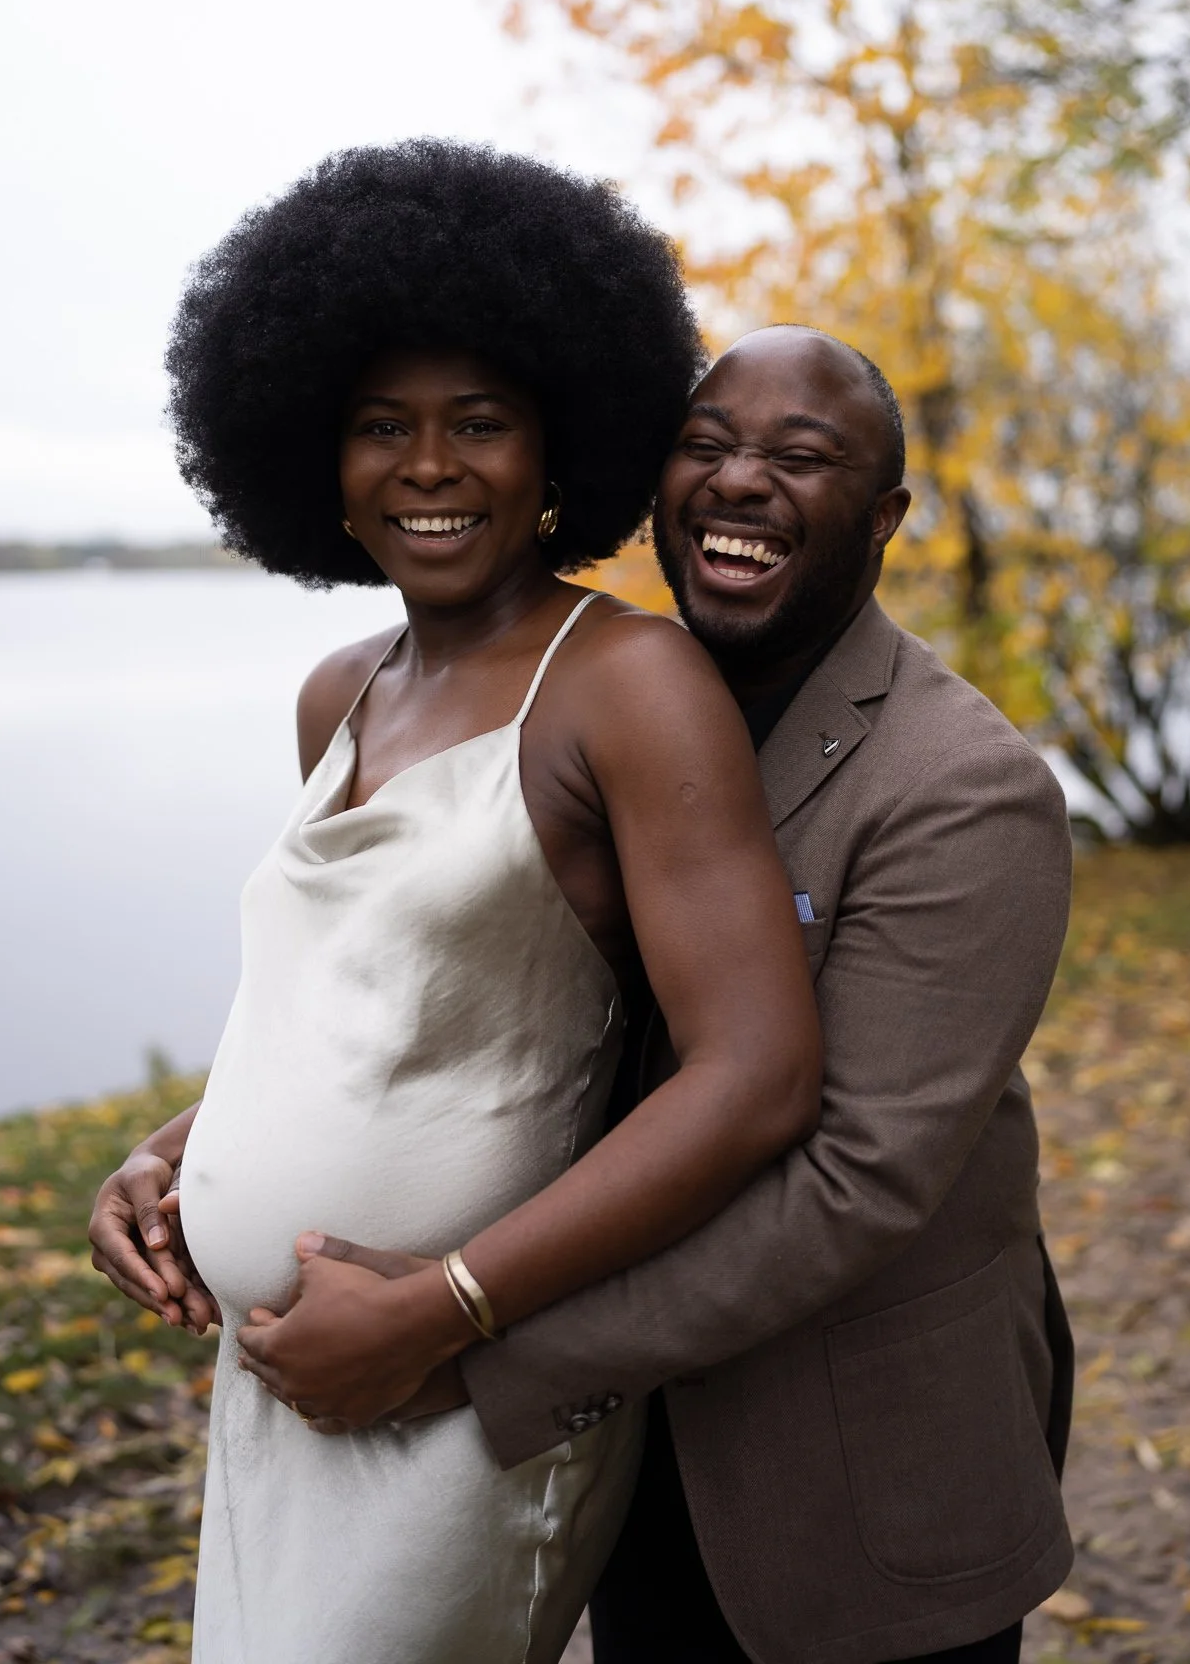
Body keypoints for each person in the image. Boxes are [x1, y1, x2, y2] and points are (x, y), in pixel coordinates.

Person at [87, 144, 823, 1664]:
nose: (428, 466)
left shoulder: (626, 684)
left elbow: (757, 1075)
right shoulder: (338, 694)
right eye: (382, 426)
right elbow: (362, 1015)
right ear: (315, 456)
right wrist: (174, 1155)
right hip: (281, 1381)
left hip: (454, 1397)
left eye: (479, 422)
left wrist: (445, 1308)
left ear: (558, 452)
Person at [281, 326, 1078, 1664]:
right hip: (625, 1467)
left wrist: (470, 1343)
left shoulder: (963, 789)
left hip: (857, 1474)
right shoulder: (597, 707)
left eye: (802, 456)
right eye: (706, 446)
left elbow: (855, 1182)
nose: (741, 480)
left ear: (886, 516)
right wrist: (197, 1145)